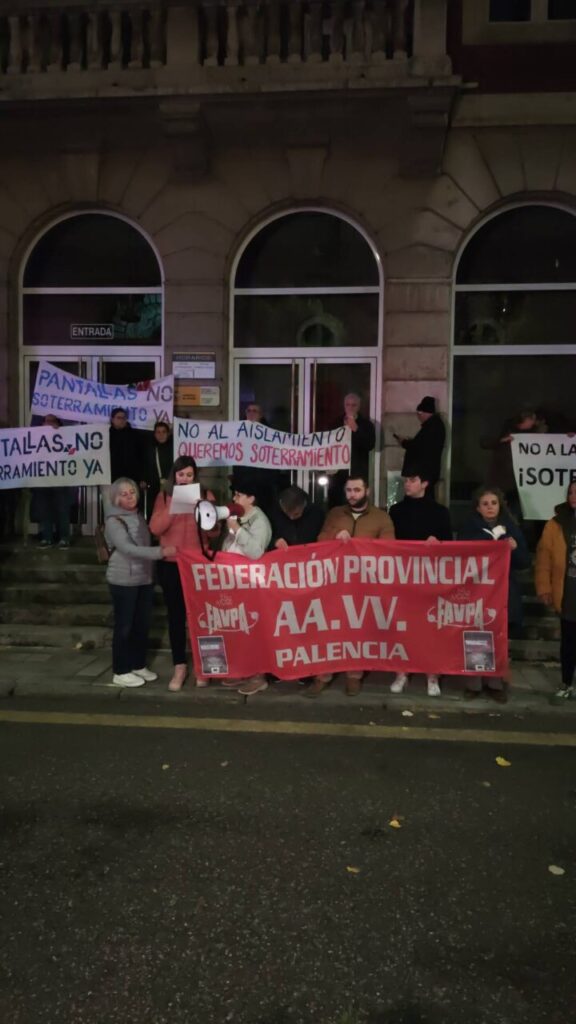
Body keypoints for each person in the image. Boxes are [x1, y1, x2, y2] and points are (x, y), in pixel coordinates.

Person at [307, 475, 394, 698]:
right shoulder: (335, 514)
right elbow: (320, 539)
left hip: (364, 584)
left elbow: (389, 548)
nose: (352, 495)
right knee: (329, 628)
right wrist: (336, 535)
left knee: (357, 630)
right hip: (334, 582)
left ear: (367, 491)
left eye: (357, 490)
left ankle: (353, 676)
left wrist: (360, 546)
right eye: (349, 490)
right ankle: (322, 675)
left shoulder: (381, 517)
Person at [150, 456, 216, 693]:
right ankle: (180, 665)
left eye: (189, 475)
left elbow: (214, 531)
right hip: (172, 564)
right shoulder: (164, 496)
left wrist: (204, 508)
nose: (185, 479)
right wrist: (173, 507)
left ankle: (205, 666)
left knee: (203, 617)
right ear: (174, 476)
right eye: (181, 475)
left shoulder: (206, 494)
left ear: (195, 475)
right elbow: (155, 528)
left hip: (198, 565)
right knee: (176, 616)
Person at [459, 486, 530, 703]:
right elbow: (460, 557)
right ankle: (474, 683)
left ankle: (496, 682)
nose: (490, 507)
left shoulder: (511, 528)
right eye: (485, 504)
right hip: (477, 591)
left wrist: (515, 548)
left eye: (494, 503)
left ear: (500, 506)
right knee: (477, 635)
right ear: (478, 508)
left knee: (499, 636)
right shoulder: (469, 529)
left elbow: (524, 562)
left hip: (504, 590)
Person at [105, 477, 175, 688]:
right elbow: (128, 549)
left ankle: (137, 664)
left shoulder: (138, 516)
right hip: (123, 579)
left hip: (143, 578)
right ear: (115, 498)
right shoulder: (114, 520)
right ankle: (120, 669)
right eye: (123, 494)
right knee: (124, 626)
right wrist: (160, 553)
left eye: (132, 492)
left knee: (141, 625)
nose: (129, 497)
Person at [389, 469, 452, 698]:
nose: (407, 484)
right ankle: (401, 672)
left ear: (425, 482)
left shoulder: (440, 512)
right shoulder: (395, 511)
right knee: (402, 626)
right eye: (405, 480)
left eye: (412, 479)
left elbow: (450, 546)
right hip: (402, 577)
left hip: (430, 578)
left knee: (430, 627)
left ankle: (431, 674)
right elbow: (388, 543)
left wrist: (439, 543)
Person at [220, 477, 273, 696]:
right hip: (234, 582)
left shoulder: (259, 520)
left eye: (239, 494)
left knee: (254, 629)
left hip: (251, 584)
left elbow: (255, 552)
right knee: (239, 629)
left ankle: (259, 676)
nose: (234, 498)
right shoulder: (240, 517)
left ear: (251, 498)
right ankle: (243, 669)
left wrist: (237, 530)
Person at [534, 481, 576, 704]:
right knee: (569, 641)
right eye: (570, 492)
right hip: (568, 591)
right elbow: (543, 559)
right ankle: (566, 683)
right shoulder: (556, 524)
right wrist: (544, 587)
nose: (573, 496)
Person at [32, 415, 76, 548]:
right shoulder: (34, 437)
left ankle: (64, 538)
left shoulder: (65, 437)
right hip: (42, 480)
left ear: (58, 423)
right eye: (47, 421)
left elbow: (72, 452)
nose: (49, 424)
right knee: (44, 510)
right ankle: (47, 537)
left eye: (52, 421)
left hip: (60, 480)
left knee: (62, 509)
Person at [328, 393, 376, 508]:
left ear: (359, 407)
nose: (350, 408)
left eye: (354, 405)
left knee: (356, 504)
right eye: (348, 405)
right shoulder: (335, 423)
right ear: (344, 406)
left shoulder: (366, 425)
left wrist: (356, 429)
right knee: (337, 505)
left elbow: (369, 445)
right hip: (338, 474)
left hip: (357, 472)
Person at [395, 396, 445, 497]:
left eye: (419, 414)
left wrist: (405, 442)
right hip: (426, 472)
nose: (418, 417)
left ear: (424, 413)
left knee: (422, 500)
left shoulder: (432, 427)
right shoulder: (435, 425)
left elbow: (419, 447)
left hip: (423, 473)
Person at [268, 485, 325, 549]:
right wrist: (274, 542)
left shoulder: (317, 514)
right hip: (282, 556)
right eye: (286, 513)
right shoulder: (273, 514)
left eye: (296, 514)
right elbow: (261, 537)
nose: (291, 517)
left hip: (311, 555)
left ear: (304, 504)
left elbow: (325, 534)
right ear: (281, 504)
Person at [142, 420, 173, 519]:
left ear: (168, 433)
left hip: (172, 486)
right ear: (154, 434)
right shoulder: (150, 448)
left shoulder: (175, 447)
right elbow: (145, 466)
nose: (161, 435)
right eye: (158, 432)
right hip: (154, 485)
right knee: (154, 511)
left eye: (164, 432)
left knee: (170, 511)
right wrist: (143, 479)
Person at [109, 407, 145, 485]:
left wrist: (142, 477)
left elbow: (141, 456)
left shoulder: (135, 435)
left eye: (124, 418)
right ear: (112, 419)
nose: (122, 420)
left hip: (131, 477)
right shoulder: (106, 435)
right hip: (111, 478)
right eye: (119, 418)